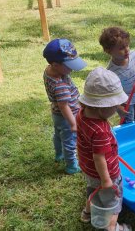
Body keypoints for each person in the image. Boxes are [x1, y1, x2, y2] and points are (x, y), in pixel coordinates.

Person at [77, 67, 131, 231]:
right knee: (113, 203)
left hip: (89, 169)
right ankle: (113, 228)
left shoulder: (82, 113)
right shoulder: (100, 130)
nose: (117, 108)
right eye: (114, 106)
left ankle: (87, 213)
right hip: (106, 173)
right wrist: (107, 180)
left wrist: (118, 109)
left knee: (93, 191)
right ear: (102, 108)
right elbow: (99, 157)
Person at [42, 38, 87, 174]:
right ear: (55, 64)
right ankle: (71, 166)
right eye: (69, 66)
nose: (72, 69)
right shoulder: (60, 85)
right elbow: (64, 106)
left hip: (56, 114)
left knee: (58, 135)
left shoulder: (49, 70)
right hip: (67, 116)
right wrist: (73, 123)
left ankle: (59, 155)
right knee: (70, 141)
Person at [99, 27, 135, 124]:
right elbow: (111, 93)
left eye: (127, 45)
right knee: (128, 122)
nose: (126, 50)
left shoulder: (134, 55)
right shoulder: (111, 72)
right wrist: (118, 108)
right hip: (126, 101)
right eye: (121, 48)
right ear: (109, 51)